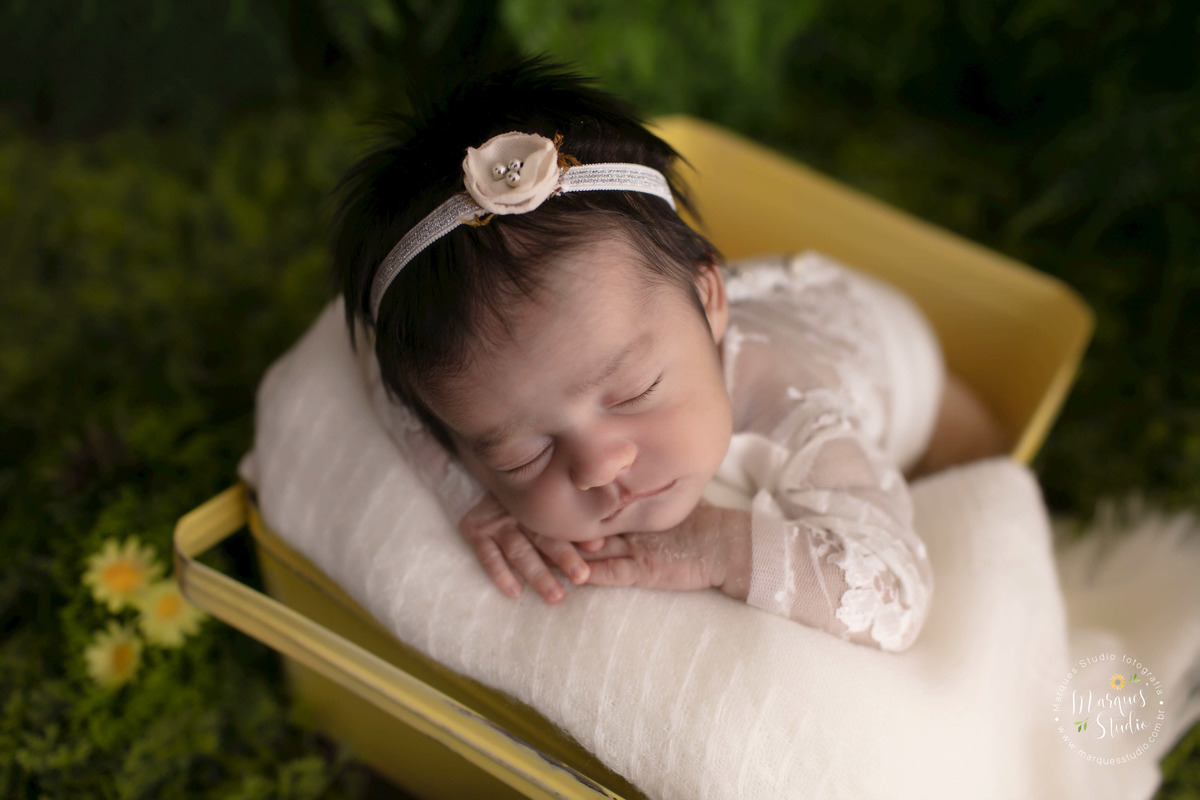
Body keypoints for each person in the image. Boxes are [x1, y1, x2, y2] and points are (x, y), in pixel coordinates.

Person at [332, 58, 1007, 652]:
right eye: (520, 453)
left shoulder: (802, 414)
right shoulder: (571, 356)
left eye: (630, 391)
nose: (598, 466)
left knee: (979, 455)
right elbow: (391, 384)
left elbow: (890, 592)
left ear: (709, 301)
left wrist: (724, 548)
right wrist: (470, 500)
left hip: (881, 341)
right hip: (686, 298)